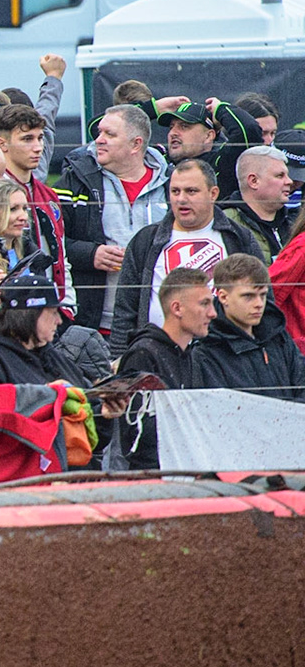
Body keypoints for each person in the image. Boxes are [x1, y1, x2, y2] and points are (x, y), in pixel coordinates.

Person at [112, 159, 260, 352]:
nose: (181, 199)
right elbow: (125, 310)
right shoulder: (146, 241)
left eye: (191, 191)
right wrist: (119, 358)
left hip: (224, 355)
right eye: (175, 191)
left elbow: (264, 301)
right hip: (158, 356)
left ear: (213, 193)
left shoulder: (239, 238)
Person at [58, 104, 170, 335]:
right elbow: (50, 244)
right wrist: (89, 254)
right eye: (100, 132)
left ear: (136, 144)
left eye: (110, 134)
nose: (99, 140)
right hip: (96, 327)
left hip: (160, 326)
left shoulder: (172, 185)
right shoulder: (75, 182)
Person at [109, 266, 214, 471]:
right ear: (177, 308)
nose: (213, 313)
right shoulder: (143, 355)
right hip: (153, 479)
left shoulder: (192, 356)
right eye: (204, 304)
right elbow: (135, 435)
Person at [189, 253, 305, 402]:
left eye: (262, 295)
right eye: (248, 296)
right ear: (223, 297)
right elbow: (218, 411)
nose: (259, 304)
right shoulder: (206, 352)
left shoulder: (278, 335)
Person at [0, 104, 71, 308]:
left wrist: (68, 305)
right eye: (27, 139)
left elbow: (61, 257)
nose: (37, 147)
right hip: (12, 309)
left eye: (40, 138)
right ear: (2, 144)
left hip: (53, 308)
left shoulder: (49, 196)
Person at [0, 271, 98, 389]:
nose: (59, 321)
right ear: (29, 315)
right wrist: (48, 394)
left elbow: (88, 394)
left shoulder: (52, 355)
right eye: (53, 313)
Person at [158, 96, 261, 202]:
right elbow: (139, 134)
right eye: (171, 127)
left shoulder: (221, 163)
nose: (173, 133)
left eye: (184, 126)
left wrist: (221, 110)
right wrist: (154, 108)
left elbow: (249, 130)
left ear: (208, 136)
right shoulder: (158, 161)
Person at [224, 144, 298, 262]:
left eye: (287, 175)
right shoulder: (225, 225)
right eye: (280, 175)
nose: (289, 181)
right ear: (254, 181)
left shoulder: (293, 223)